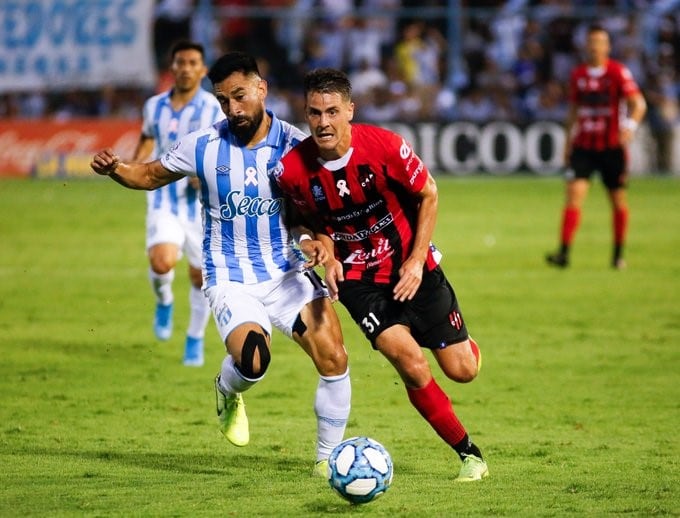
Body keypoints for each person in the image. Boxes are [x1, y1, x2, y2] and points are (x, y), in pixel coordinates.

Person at [90, 52, 351, 476]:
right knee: (252, 361)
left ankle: (328, 460)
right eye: (224, 100)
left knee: (334, 357)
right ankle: (228, 389)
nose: (233, 109)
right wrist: (116, 168)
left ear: (261, 89)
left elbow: (309, 213)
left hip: (286, 273)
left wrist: (314, 241)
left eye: (240, 96)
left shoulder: (294, 147)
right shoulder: (203, 145)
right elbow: (151, 175)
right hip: (229, 277)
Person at [273, 68, 489, 482]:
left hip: (411, 266)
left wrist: (416, 257)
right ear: (306, 114)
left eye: (332, 111)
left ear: (350, 111)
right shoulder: (292, 171)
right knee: (407, 360)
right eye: (315, 113)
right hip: (357, 281)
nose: (323, 122)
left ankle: (462, 343)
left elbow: (429, 192)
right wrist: (321, 249)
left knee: (462, 371)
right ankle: (469, 454)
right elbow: (303, 221)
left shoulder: (386, 147)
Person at [134, 40, 223, 366]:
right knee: (161, 262)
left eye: (192, 63)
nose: (186, 68)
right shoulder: (154, 106)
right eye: (180, 62)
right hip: (163, 199)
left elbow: (220, 147)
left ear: (202, 70)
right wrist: (135, 165)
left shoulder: (213, 108)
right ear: (172, 68)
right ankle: (165, 299)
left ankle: (195, 338)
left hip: (202, 207)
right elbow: (146, 137)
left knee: (200, 277)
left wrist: (206, 173)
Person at [546, 24, 647, 270]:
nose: (594, 47)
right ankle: (564, 253)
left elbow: (638, 104)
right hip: (584, 147)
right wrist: (568, 142)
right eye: (591, 42)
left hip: (612, 147)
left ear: (608, 46)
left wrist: (630, 126)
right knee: (574, 195)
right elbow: (573, 111)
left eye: (599, 42)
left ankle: (617, 255)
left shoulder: (618, 73)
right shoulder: (578, 75)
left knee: (618, 200)